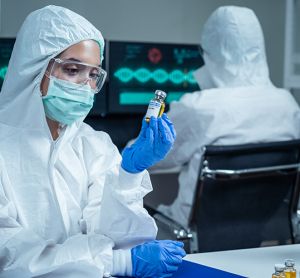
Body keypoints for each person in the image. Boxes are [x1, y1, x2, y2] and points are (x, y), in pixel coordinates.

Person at [0, 5, 186, 278]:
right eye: (73, 70)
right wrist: (117, 263)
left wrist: (127, 177)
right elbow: (9, 254)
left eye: (92, 75)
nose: (85, 87)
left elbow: (120, 240)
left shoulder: (92, 144)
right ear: (35, 70)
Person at [152, 6, 300, 228]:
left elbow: (150, 157)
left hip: (187, 238)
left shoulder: (200, 107)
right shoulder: (287, 104)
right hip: (259, 231)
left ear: (211, 53)